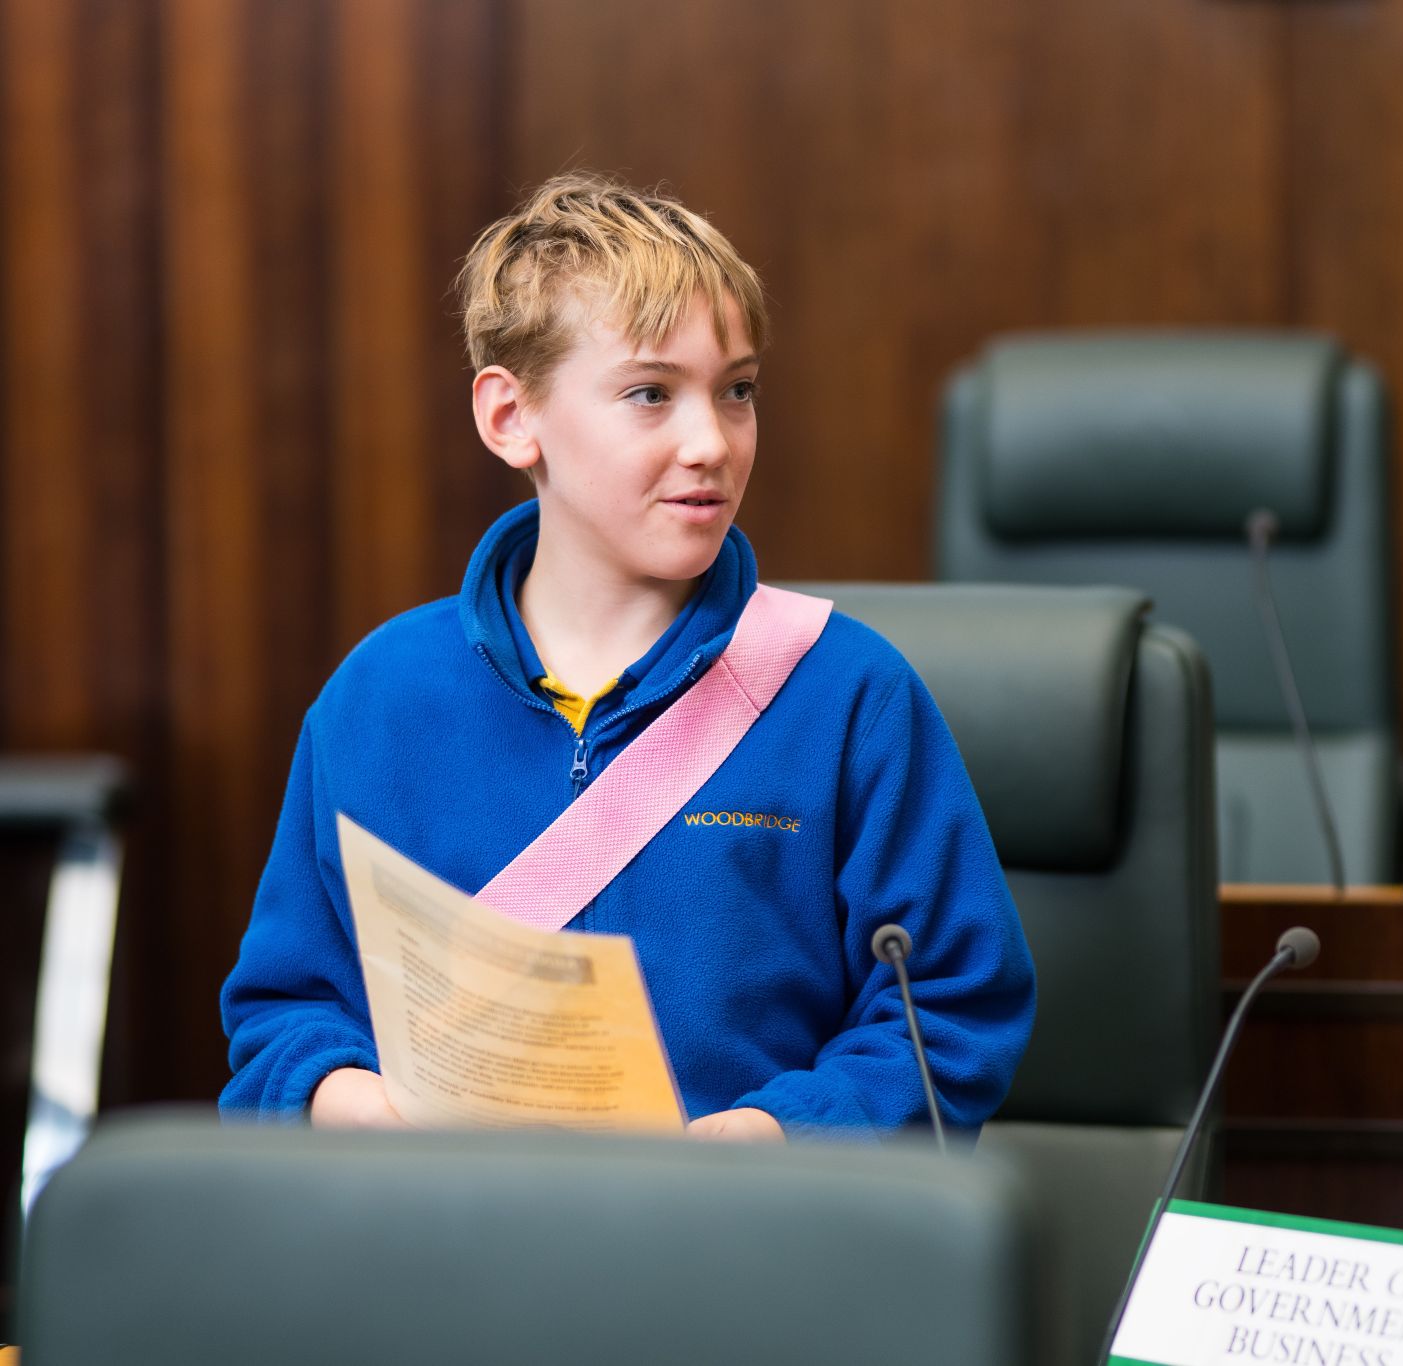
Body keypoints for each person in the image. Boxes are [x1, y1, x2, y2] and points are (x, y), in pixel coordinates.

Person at [219, 171, 1035, 1141]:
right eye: (650, 394)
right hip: (451, 1248)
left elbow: (950, 1014)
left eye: (736, 391)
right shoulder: (378, 696)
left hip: (750, 1250)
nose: (711, 442)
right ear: (509, 418)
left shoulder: (852, 694)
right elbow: (281, 1020)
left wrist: (776, 1134)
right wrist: (365, 1108)